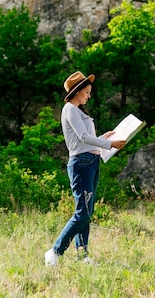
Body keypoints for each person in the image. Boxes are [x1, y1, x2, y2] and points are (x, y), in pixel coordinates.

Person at [45, 71, 127, 266]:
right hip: (82, 163)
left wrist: (104, 139)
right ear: (77, 91)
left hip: (90, 162)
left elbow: (86, 140)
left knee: (87, 212)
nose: (89, 96)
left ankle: (83, 256)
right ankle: (55, 251)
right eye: (87, 92)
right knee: (83, 212)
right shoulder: (70, 109)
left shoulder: (78, 111)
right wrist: (110, 144)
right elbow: (82, 138)